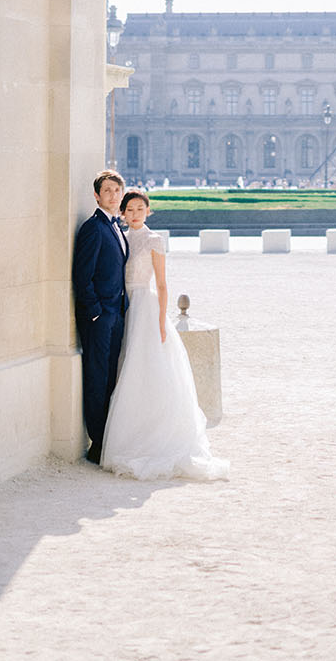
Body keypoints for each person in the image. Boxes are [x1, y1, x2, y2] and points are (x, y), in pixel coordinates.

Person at [101, 189, 229, 481]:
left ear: (148, 211)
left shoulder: (154, 240)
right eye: (129, 210)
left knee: (147, 367)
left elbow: (162, 284)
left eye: (140, 209)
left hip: (145, 307)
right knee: (128, 366)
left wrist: (161, 319)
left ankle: (155, 436)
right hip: (124, 306)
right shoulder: (120, 236)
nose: (134, 214)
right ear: (122, 213)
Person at [72, 169, 128, 464]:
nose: (113, 195)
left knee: (108, 378)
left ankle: (106, 438)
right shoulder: (93, 228)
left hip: (115, 315)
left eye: (117, 191)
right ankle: (97, 442)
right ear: (96, 195)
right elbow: (82, 276)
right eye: (107, 191)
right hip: (100, 317)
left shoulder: (115, 226)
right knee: (97, 378)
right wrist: (95, 313)